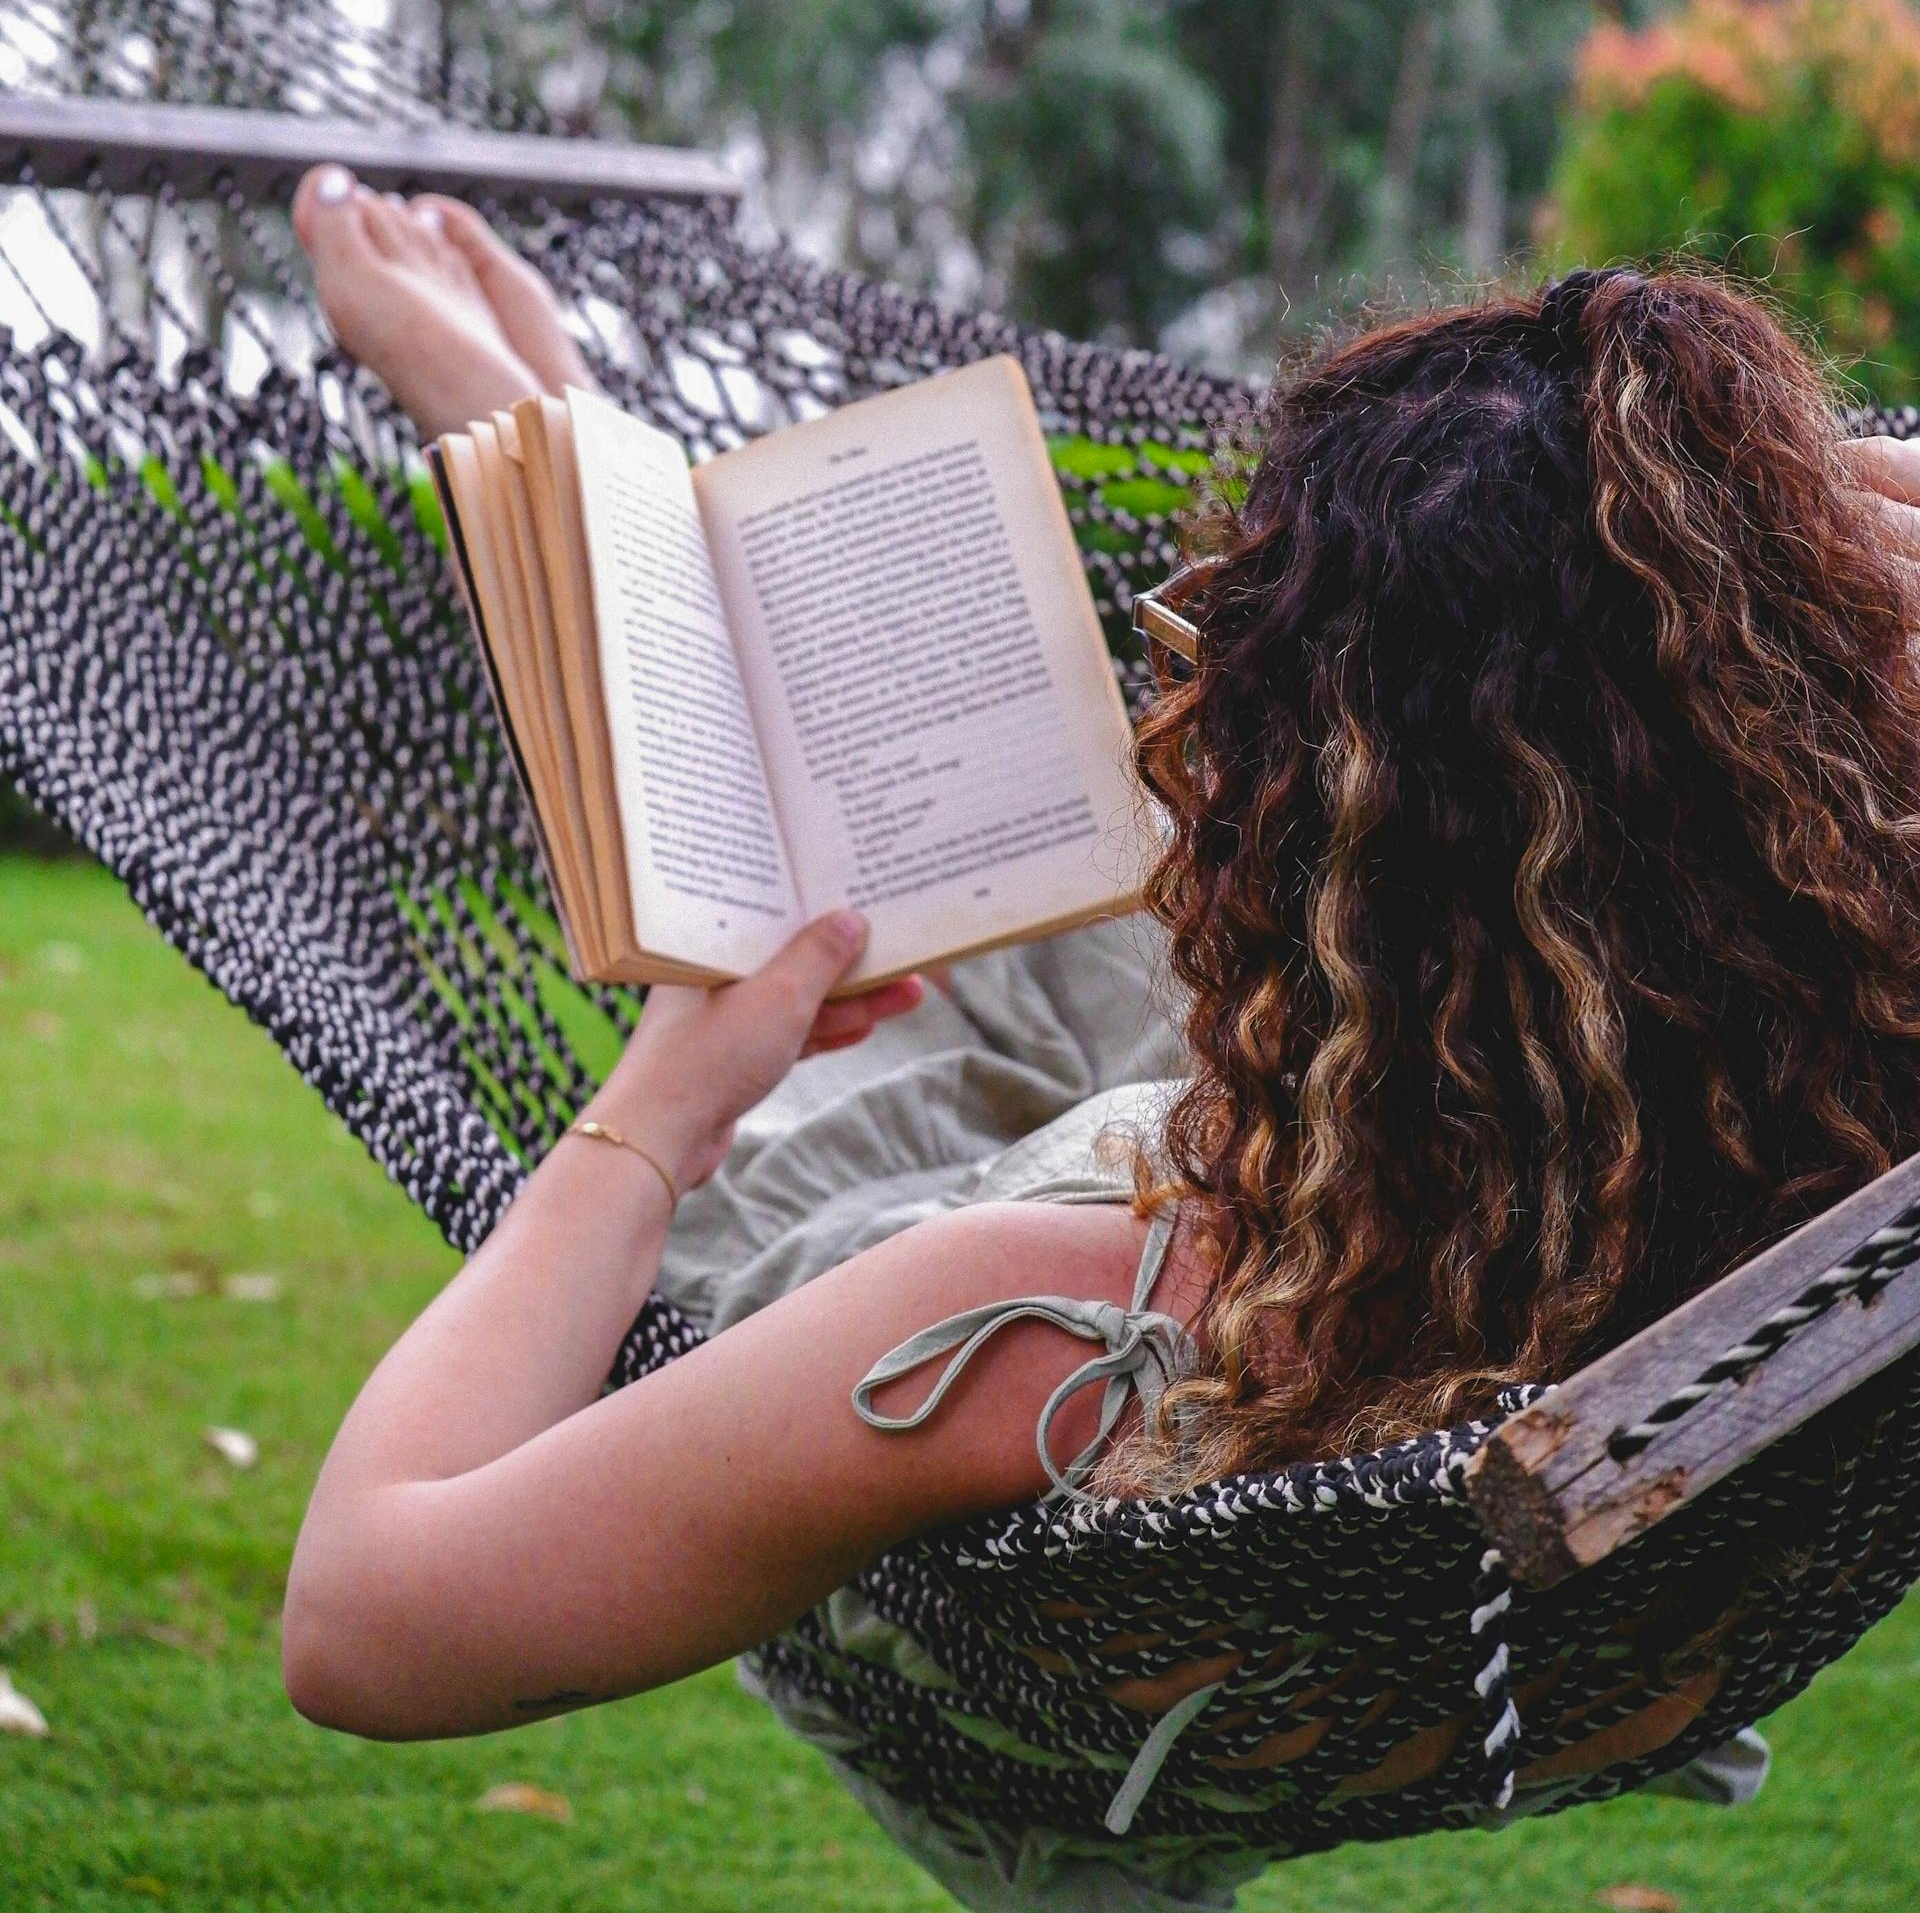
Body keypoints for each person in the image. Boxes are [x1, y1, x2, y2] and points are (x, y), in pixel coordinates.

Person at [281, 166, 1920, 1910]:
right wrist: (1766, 560)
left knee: (847, 887)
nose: (1192, 717)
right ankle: (604, 486)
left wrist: (667, 1093)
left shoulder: (1028, 1335)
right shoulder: (1850, 1079)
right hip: (1443, 1253)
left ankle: (580, 505)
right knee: (1016, 840)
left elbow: (366, 1621)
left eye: (1226, 675)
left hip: (864, 1216)